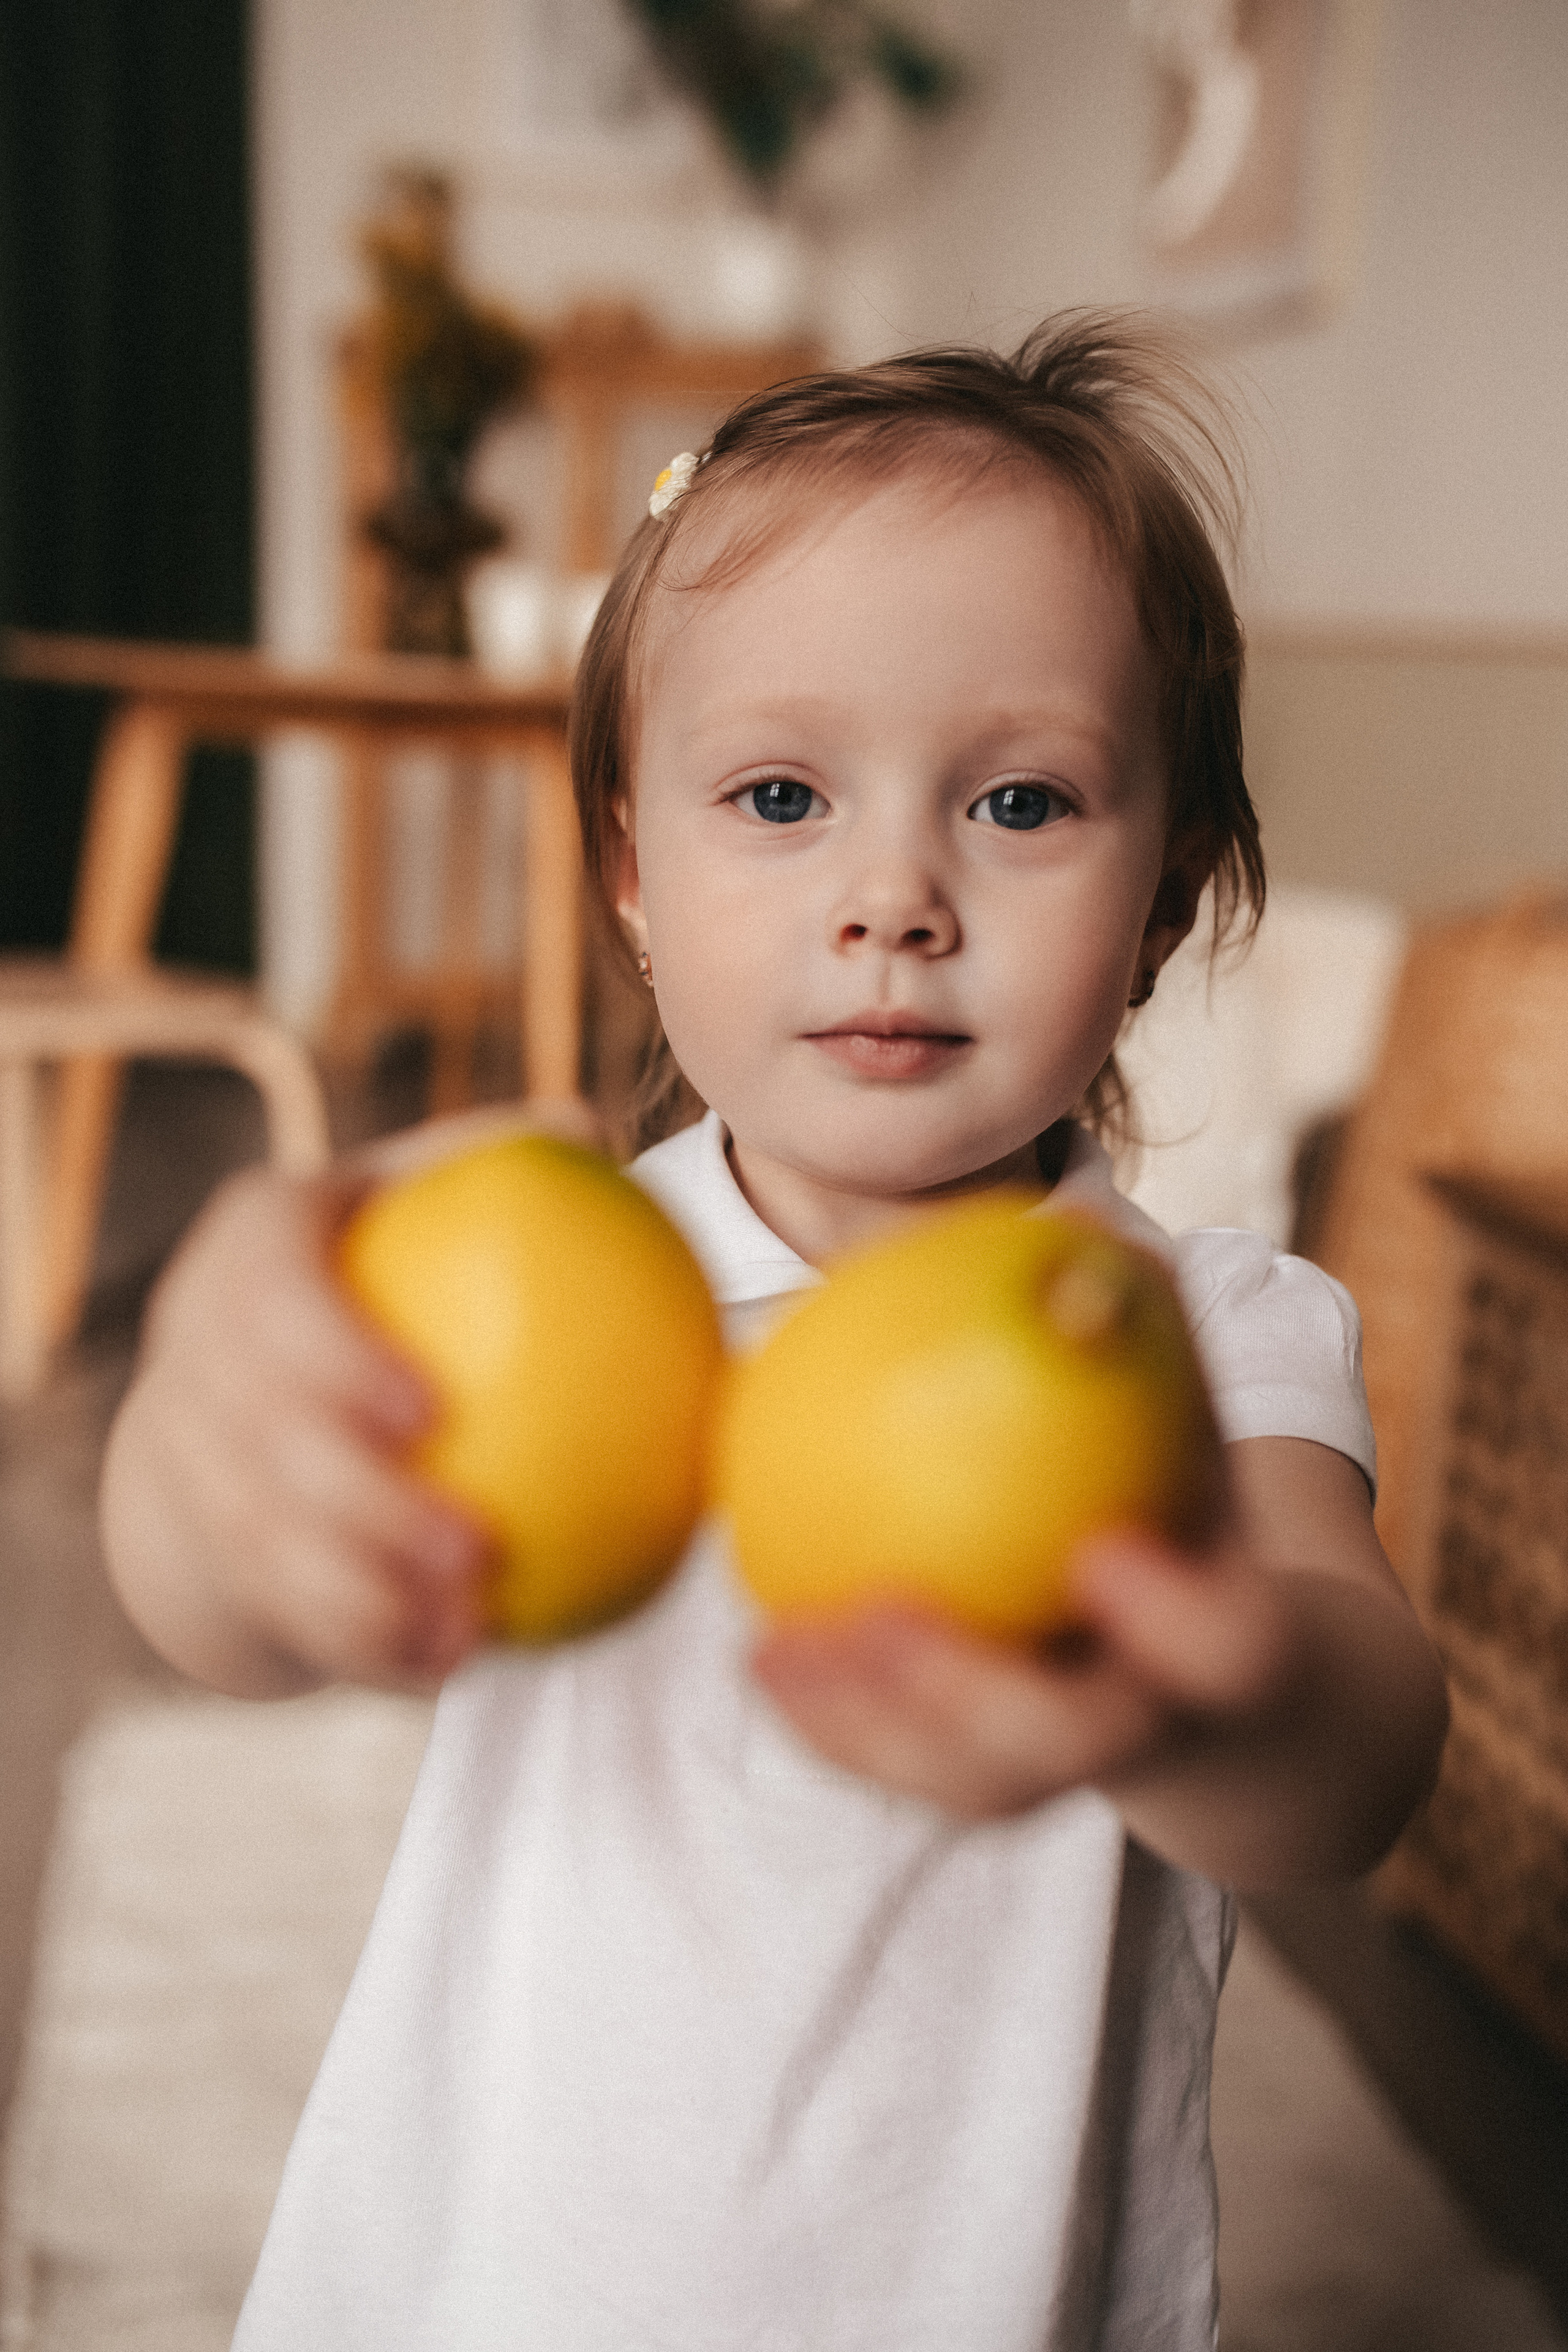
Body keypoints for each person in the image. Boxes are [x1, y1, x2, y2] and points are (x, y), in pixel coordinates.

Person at [100, 313, 1448, 2350]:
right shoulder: (544, 1274)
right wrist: (219, 1465)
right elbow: (211, 1612)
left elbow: (1354, 1761)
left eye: (1016, 804)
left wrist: (1194, 1684)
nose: (894, 891)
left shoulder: (1194, 1338)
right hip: (478, 2292)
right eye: (784, 791)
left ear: (1170, 897)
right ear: (635, 870)